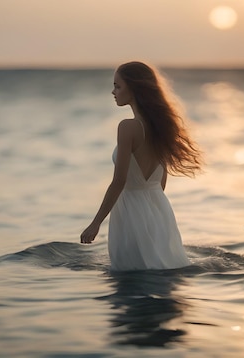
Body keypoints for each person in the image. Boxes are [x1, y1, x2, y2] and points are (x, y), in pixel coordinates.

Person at [80, 61, 203, 271]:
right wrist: (148, 211)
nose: (113, 91)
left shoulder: (128, 127)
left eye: (118, 86)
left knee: (130, 276)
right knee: (163, 270)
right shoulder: (162, 127)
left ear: (134, 87)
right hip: (159, 211)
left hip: (129, 212)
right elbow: (161, 181)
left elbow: (119, 181)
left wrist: (96, 223)